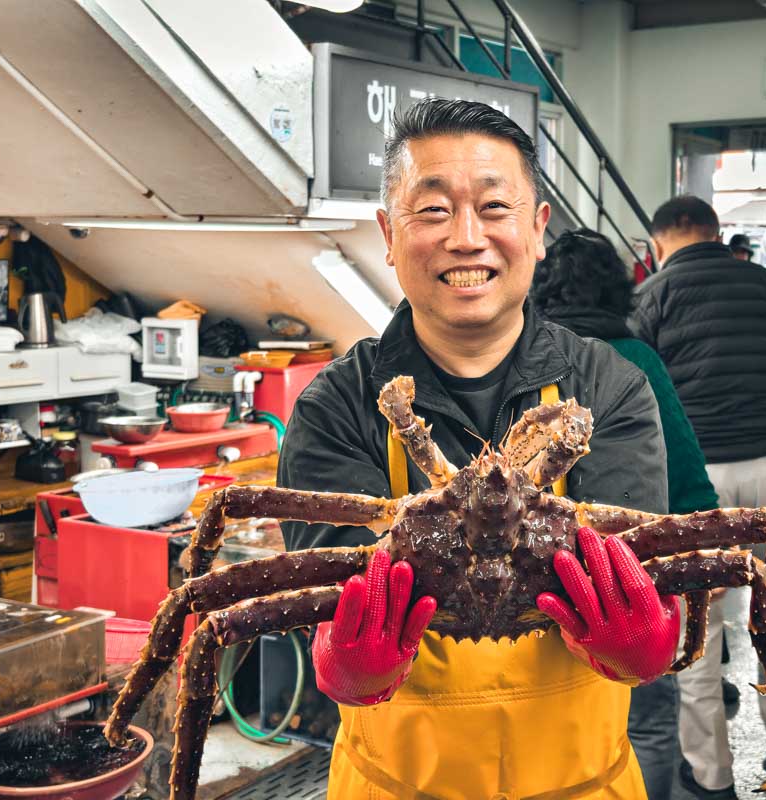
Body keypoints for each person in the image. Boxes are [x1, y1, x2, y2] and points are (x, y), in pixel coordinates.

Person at [279, 99, 679, 799]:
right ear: (388, 234)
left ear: (537, 228)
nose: (467, 238)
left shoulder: (607, 386)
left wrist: (648, 635)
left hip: (585, 782)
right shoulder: (338, 403)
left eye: (494, 207)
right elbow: (325, 603)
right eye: (431, 211)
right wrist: (348, 664)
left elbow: (646, 563)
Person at [630, 195, 766, 799]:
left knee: (699, 629)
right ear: (716, 233)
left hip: (701, 473)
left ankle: (708, 775)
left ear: (660, 244)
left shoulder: (652, 295)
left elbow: (645, 396)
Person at [531, 228, 719, 800]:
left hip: (543, 585)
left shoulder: (527, 361)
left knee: (551, 720)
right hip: (635, 576)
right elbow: (686, 473)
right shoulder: (638, 360)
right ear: (618, 290)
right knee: (649, 712)